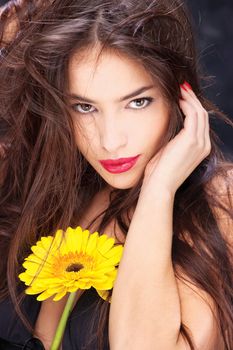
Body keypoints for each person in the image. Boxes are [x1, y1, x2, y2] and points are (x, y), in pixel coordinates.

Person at [0, 0, 232, 349]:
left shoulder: (220, 201)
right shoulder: (47, 180)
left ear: (179, 96)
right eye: (85, 107)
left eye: (137, 102)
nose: (111, 141)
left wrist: (159, 190)